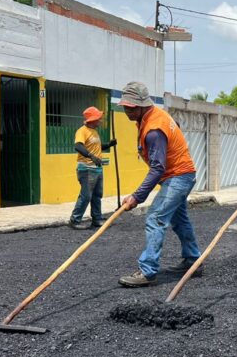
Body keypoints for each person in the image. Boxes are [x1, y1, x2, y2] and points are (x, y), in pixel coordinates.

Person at [116, 82, 202, 288]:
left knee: (155, 217)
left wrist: (137, 196)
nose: (126, 111)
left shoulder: (154, 129)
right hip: (181, 174)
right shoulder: (155, 115)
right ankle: (193, 260)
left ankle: (148, 271)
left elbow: (157, 168)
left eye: (130, 107)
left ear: (141, 105)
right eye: (125, 107)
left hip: (178, 176)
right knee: (180, 220)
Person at [69, 107, 116, 230]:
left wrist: (109, 144)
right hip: (87, 169)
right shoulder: (82, 131)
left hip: (97, 169)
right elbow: (78, 146)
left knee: (97, 195)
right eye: (98, 119)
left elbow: (97, 147)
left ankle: (97, 219)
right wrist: (91, 156)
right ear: (92, 119)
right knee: (86, 196)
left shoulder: (95, 132)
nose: (100, 121)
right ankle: (75, 220)